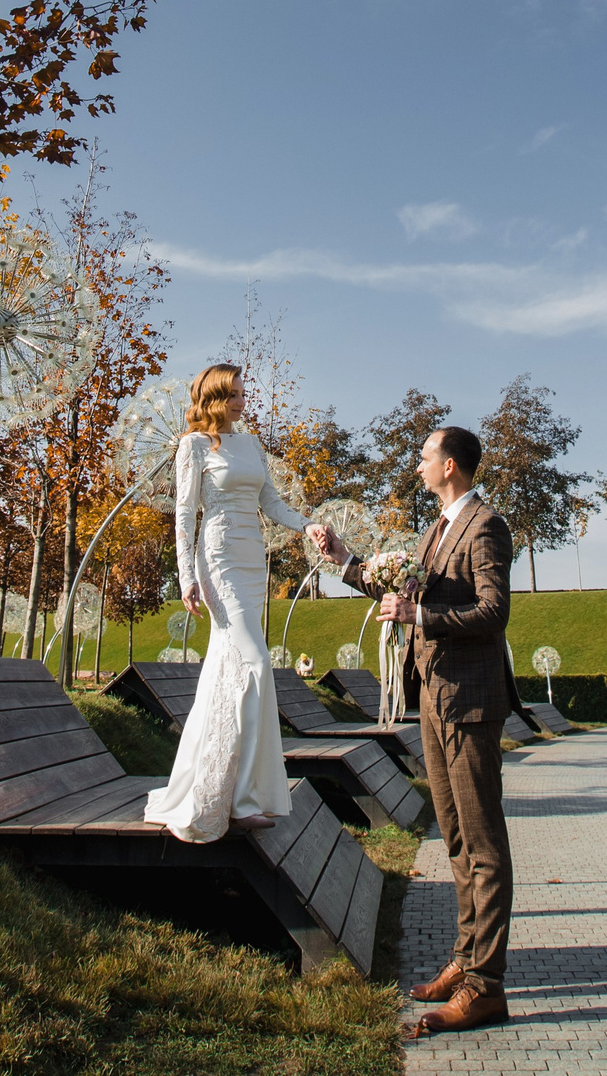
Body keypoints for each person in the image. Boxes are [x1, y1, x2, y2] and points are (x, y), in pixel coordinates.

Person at [311, 424, 513, 1037]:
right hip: (433, 698)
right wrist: (343, 558)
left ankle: (485, 986)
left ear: (450, 465)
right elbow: (399, 588)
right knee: (452, 837)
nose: (419, 464)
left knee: (482, 843)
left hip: (470, 701)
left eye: (425, 456)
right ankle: (464, 958)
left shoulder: (485, 526)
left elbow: (494, 610)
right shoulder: (436, 530)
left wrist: (422, 614)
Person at [144, 364, 323, 843]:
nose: (244, 402)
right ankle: (244, 800)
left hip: (251, 562)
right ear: (214, 398)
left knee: (231, 671)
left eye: (245, 394)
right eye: (236, 395)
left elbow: (272, 503)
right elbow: (184, 516)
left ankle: (221, 785)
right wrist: (186, 578)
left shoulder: (251, 445)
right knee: (256, 663)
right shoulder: (193, 446)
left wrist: (307, 525)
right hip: (218, 560)